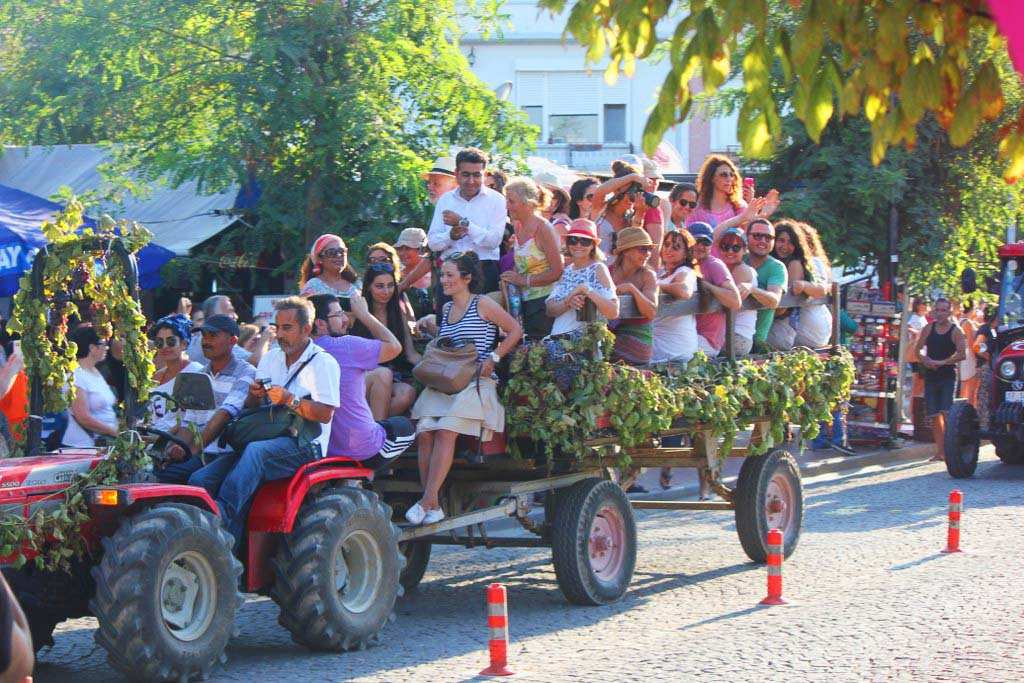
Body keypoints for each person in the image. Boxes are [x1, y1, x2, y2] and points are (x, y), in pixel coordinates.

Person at [188, 297, 341, 544]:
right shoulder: (271, 358)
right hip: (265, 437)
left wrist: (290, 399)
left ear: (306, 329)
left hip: (305, 445)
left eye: (287, 328)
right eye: (277, 327)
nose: (280, 334)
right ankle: (220, 547)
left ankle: (220, 518)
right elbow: (252, 407)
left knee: (256, 452)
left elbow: (325, 414)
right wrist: (254, 395)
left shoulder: (324, 362)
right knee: (200, 479)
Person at [407, 252, 523, 525]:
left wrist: (494, 358)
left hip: (476, 382)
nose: (444, 280)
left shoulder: (482, 304)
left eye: (450, 275)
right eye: (443, 274)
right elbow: (449, 345)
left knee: (446, 430)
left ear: (466, 278)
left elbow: (515, 330)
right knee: (424, 431)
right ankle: (432, 503)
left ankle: (427, 501)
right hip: (448, 380)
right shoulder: (446, 310)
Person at [309, 294, 415, 470]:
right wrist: (364, 314)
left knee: (381, 375)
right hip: (359, 451)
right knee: (406, 428)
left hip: (323, 449)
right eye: (338, 315)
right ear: (320, 324)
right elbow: (394, 347)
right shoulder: (346, 345)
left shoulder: (300, 351)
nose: (345, 319)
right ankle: (367, 473)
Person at [155, 314, 258, 484]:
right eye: (204, 335)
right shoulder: (200, 375)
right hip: (201, 451)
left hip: (226, 453)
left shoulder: (246, 372)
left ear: (232, 341)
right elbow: (189, 422)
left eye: (213, 335)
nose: (205, 341)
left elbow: (224, 415)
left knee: (197, 480)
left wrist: (192, 451)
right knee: (156, 471)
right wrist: (177, 448)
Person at [427, 147, 507, 294]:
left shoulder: (497, 200)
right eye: (466, 175)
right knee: (448, 316)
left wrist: (464, 223)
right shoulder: (446, 200)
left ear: (485, 174)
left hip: (484, 271)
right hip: (450, 271)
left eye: (477, 175)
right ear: (457, 174)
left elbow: (493, 241)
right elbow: (433, 243)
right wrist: (450, 236)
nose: (471, 181)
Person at [350, 263, 420, 419]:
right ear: (368, 287)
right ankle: (372, 433)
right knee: (383, 375)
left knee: (407, 394)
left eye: (390, 286)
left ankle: (368, 425)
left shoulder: (398, 314)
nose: (386, 291)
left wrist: (432, 369)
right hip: (362, 376)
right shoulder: (356, 315)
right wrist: (364, 316)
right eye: (380, 286)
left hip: (394, 374)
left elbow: (410, 353)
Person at [500, 178, 564, 338]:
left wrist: (523, 280)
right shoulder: (519, 225)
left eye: (511, 201)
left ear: (527, 203)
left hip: (543, 302)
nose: (507, 206)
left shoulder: (543, 229)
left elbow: (557, 271)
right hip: (524, 302)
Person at [912, 298, 966, 463]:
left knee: (947, 413)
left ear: (949, 312)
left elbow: (962, 354)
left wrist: (943, 362)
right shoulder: (929, 328)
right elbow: (917, 349)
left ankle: (953, 449)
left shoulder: (956, 331)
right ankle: (940, 451)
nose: (940, 313)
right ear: (934, 311)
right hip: (931, 375)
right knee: (934, 414)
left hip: (947, 375)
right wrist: (925, 359)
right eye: (938, 310)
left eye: (944, 310)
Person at [545, 219, 620, 336]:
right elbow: (550, 310)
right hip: (559, 341)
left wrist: (588, 291)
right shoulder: (568, 270)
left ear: (593, 245)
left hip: (586, 345)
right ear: (567, 243)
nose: (578, 245)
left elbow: (613, 312)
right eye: (573, 240)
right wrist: (568, 302)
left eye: (585, 241)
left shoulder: (598, 269)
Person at [688, 223, 741, 357]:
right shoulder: (685, 263)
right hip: (689, 333)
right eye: (697, 241)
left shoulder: (714, 265)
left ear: (711, 246)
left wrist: (708, 286)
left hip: (707, 340)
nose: (700, 246)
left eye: (705, 243)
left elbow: (735, 301)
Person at [609, 227, 659, 366]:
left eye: (649, 249)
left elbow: (651, 312)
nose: (648, 254)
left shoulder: (648, 275)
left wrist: (633, 290)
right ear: (626, 251)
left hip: (639, 338)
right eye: (643, 249)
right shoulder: (607, 272)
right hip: (611, 334)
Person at [64, 326, 118, 447]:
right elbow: (83, 417)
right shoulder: (76, 375)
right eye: (104, 344)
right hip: (83, 446)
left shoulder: (94, 371)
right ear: (92, 348)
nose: (107, 348)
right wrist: (114, 432)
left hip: (104, 442)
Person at [148, 315, 204, 432]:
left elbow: (195, 419)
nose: (165, 347)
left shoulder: (197, 372)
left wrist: (164, 437)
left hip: (180, 441)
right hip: (152, 439)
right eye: (159, 343)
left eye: (171, 341)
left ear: (184, 343)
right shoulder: (156, 376)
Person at [651, 230, 698, 364]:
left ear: (686, 253)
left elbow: (684, 290)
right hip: (661, 339)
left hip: (673, 347)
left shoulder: (686, 271)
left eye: (676, 247)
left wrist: (654, 287)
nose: (669, 249)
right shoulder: (661, 274)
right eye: (666, 244)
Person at [745, 219, 787, 353]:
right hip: (725, 336)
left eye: (768, 237)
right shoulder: (736, 257)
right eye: (757, 236)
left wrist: (751, 289)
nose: (763, 240)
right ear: (747, 237)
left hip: (756, 343)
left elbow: (774, 300)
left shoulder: (776, 267)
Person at [791, 222, 834, 349]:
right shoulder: (818, 263)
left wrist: (803, 286)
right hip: (821, 331)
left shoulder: (812, 262)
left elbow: (822, 289)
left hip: (809, 332)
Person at [718, 227, 757, 356]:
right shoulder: (724, 269)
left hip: (735, 337)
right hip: (728, 334)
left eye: (736, 248)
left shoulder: (742, 270)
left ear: (745, 250)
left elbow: (730, 303)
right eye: (725, 246)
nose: (730, 251)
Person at [186, 295, 252, 364]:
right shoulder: (220, 339)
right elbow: (254, 361)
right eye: (230, 311)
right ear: (215, 315)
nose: (235, 316)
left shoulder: (193, 341)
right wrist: (264, 335)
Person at [298, 234, 361, 299]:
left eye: (342, 251)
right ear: (319, 259)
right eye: (331, 252)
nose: (338, 255)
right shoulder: (314, 286)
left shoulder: (356, 284)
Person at [394, 228, 434, 320]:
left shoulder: (439, 277)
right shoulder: (395, 278)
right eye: (400, 249)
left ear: (421, 250)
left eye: (408, 248)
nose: (403, 253)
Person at [956, 300, 979, 406]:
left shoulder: (961, 320)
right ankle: (970, 410)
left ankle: (962, 412)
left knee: (964, 387)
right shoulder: (968, 323)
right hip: (969, 355)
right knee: (971, 388)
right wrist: (976, 359)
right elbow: (970, 343)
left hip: (964, 355)